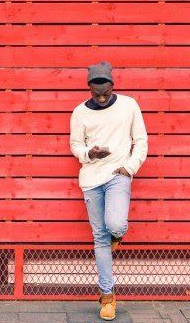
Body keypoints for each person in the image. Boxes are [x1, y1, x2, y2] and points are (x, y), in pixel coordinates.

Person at [70, 61, 148, 321]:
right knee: (100, 238)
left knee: (115, 224)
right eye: (96, 94)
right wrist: (89, 153)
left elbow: (141, 140)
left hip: (118, 174)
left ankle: (117, 235)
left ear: (113, 85)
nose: (101, 98)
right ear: (89, 89)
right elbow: (75, 144)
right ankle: (107, 296)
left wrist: (129, 167)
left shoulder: (129, 105)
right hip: (91, 178)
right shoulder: (80, 112)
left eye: (105, 92)